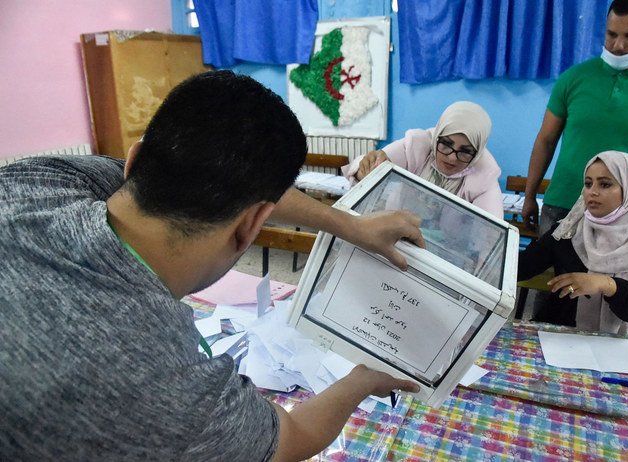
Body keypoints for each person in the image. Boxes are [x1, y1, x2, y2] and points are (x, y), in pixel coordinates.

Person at [0, 70, 424, 461]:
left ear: (132, 161)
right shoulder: (168, 388)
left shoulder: (37, 181)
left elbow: (238, 185)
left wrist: (352, 226)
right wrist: (363, 380)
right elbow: (291, 437)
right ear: (253, 225)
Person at [522, 0, 628, 236]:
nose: (618, 45)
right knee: (554, 273)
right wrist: (530, 196)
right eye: (611, 34)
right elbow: (546, 140)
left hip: (622, 215)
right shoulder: (574, 78)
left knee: (607, 276)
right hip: (562, 206)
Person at [518, 151, 628, 336]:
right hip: (557, 334)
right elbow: (521, 267)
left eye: (605, 184)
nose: (593, 192)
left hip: (617, 345)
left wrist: (607, 285)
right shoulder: (567, 230)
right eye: (588, 184)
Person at [342, 101, 504, 218]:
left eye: (465, 152)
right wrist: (366, 168)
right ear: (437, 138)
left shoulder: (484, 175)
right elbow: (371, 162)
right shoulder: (418, 145)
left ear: (476, 154)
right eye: (446, 144)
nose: (452, 157)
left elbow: (491, 233)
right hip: (395, 231)